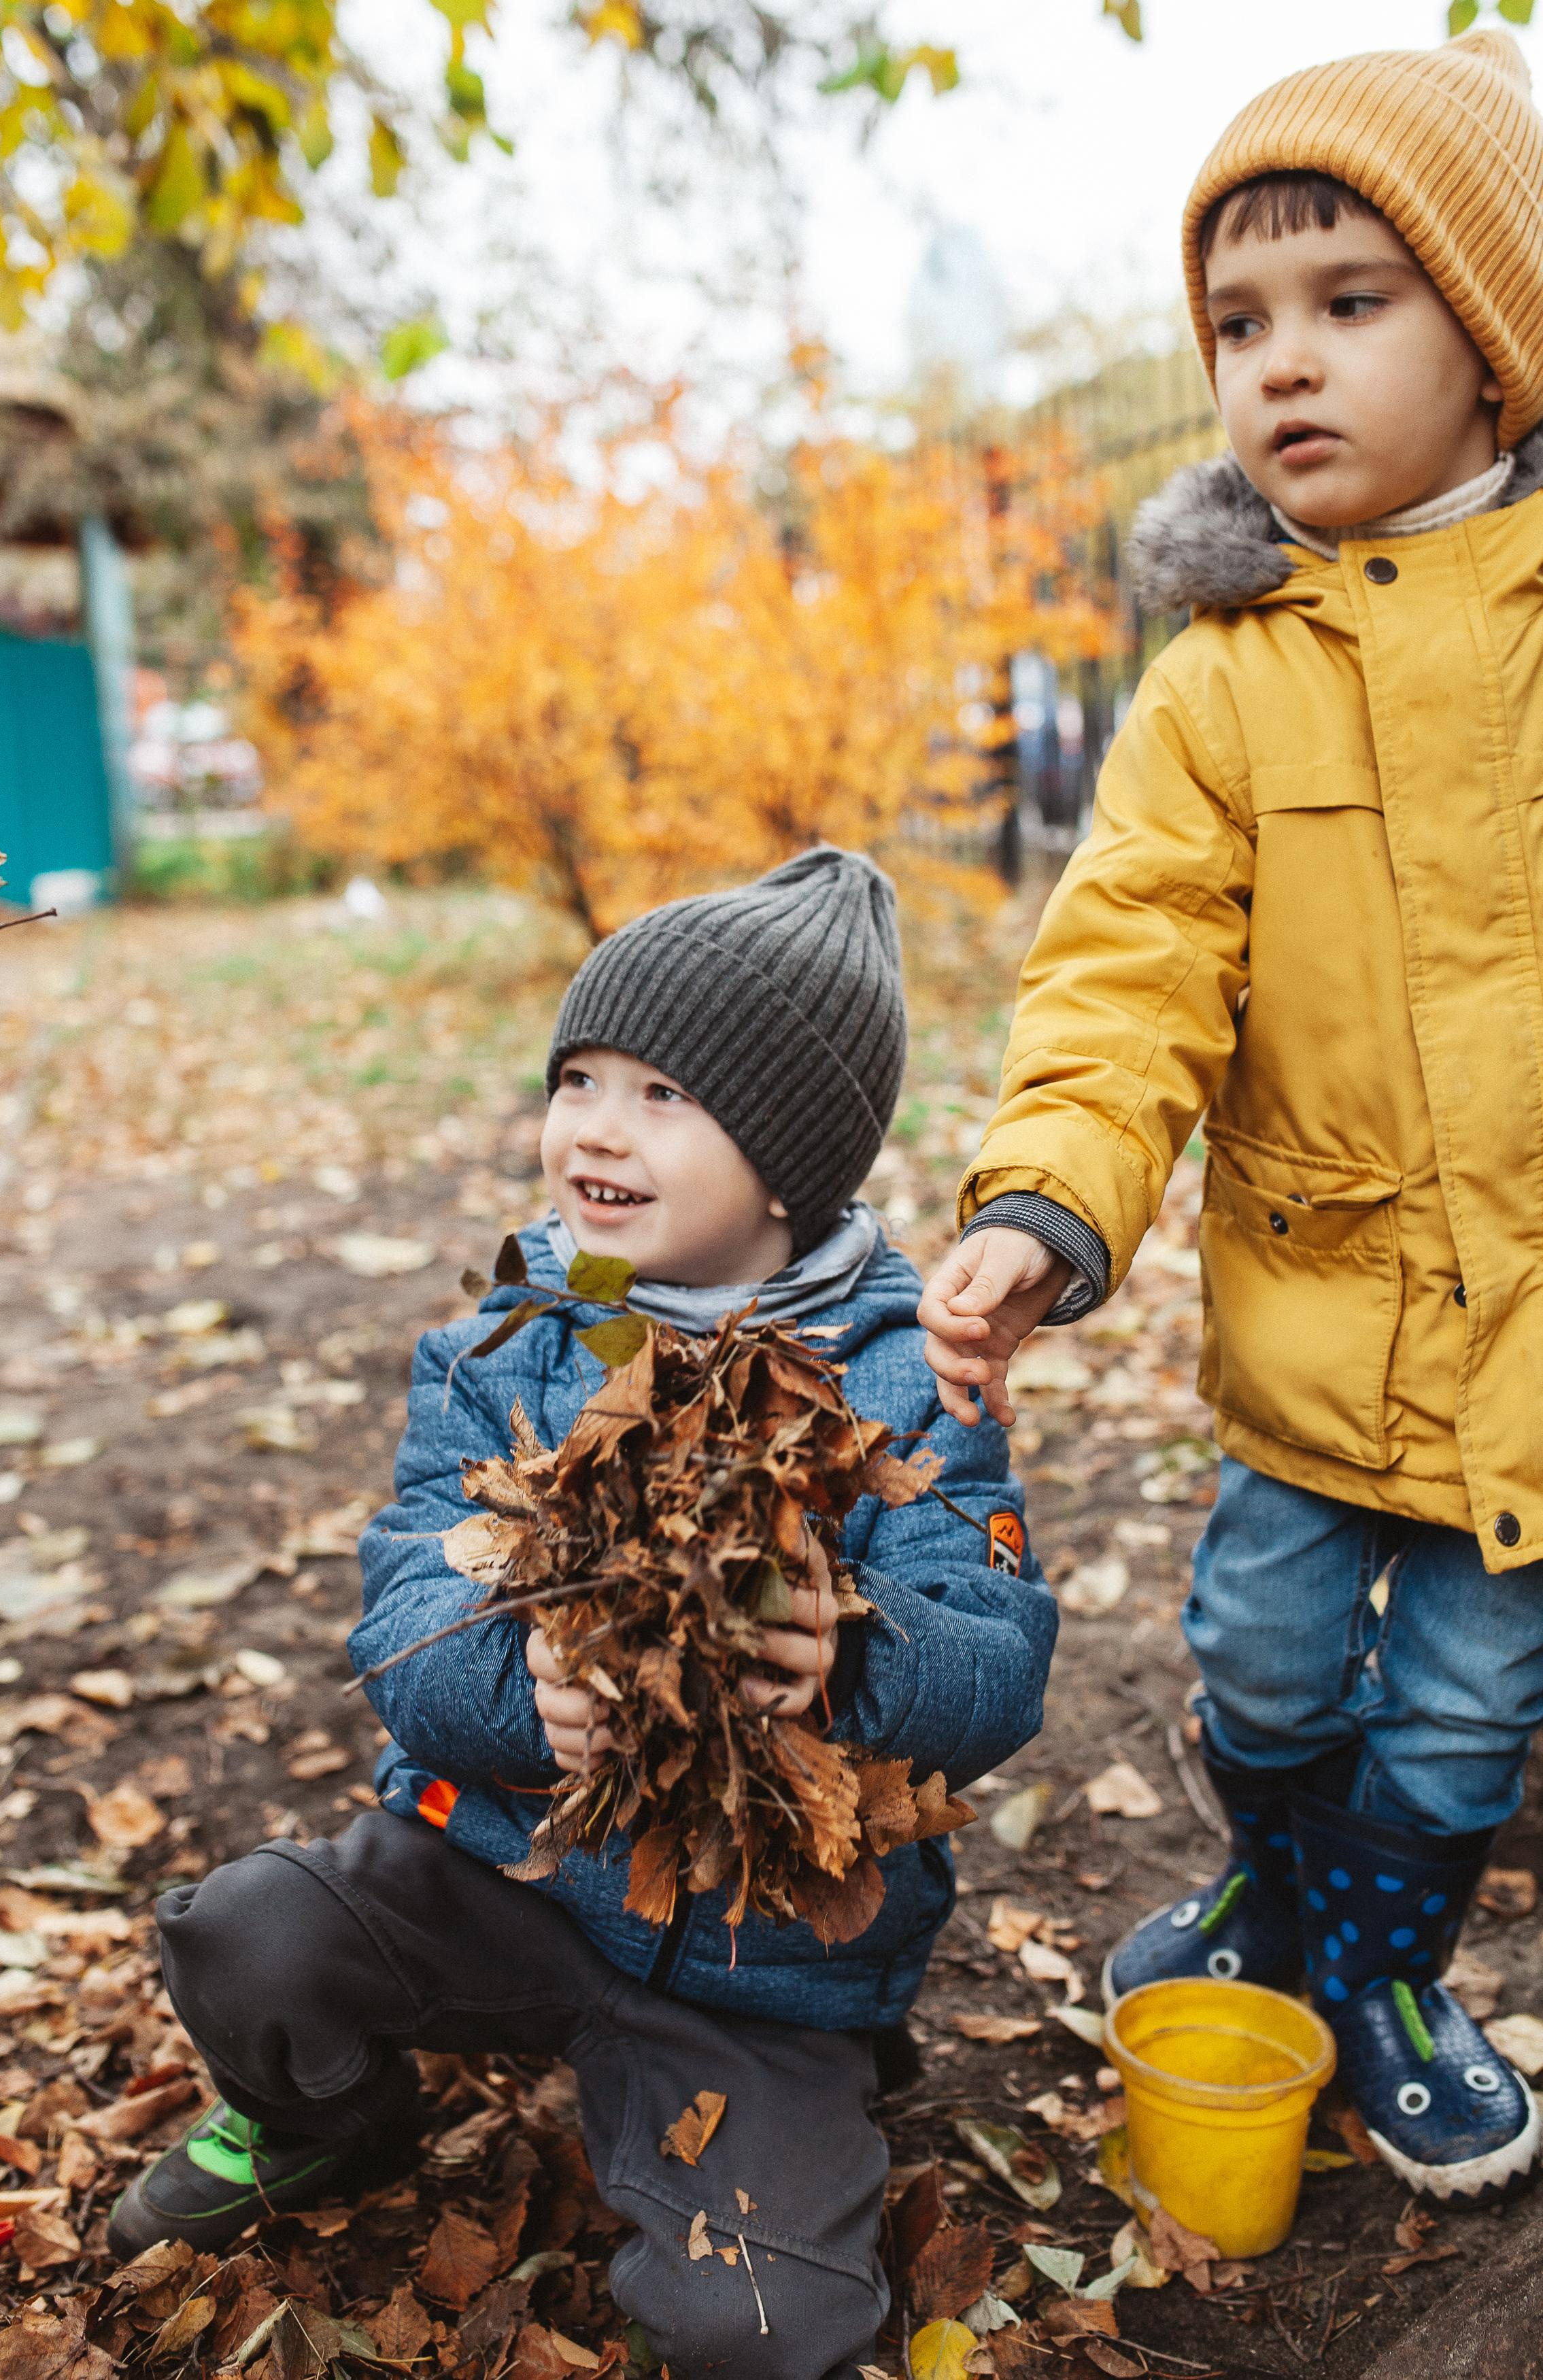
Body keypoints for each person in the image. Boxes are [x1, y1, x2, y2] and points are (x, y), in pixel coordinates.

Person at [109, 848, 1057, 2379]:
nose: (596, 1126)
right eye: (579, 1079)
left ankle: (794, 2112)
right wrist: (520, 1689)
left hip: (755, 1963)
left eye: (664, 1094)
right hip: (502, 1865)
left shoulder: (905, 1378)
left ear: (788, 1162)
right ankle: (328, 2117)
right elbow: (407, 1595)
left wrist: (854, 1656)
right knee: (244, 1937)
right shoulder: (509, 1341)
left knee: (763, 2327)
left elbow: (1002, 1658)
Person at [919, 27, 1543, 2207]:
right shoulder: (1217, 678)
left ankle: (1380, 1978)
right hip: (1314, 1307)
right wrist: (1044, 1200)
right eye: (1234, 323)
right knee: (1260, 1660)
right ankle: (1271, 1888)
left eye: (1347, 302)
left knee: (1460, 1703)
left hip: (1527, 1357)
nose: (1279, 361)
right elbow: (1129, 967)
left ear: (1495, 342)